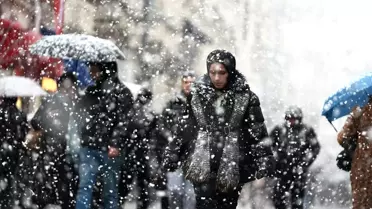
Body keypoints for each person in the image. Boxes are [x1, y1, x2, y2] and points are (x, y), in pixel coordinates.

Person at [163, 49, 274, 209]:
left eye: (222, 72)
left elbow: (257, 130)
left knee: (227, 206)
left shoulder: (246, 97)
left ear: (230, 72)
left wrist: (265, 158)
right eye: (212, 72)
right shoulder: (196, 96)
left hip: (233, 163)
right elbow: (185, 128)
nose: (217, 77)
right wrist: (173, 152)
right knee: (204, 204)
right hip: (202, 162)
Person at [75, 62, 133, 209]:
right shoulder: (93, 91)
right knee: (98, 189)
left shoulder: (119, 92)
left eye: (94, 69)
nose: (91, 73)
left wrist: (115, 142)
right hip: (95, 145)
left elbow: (124, 122)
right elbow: (79, 114)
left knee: (102, 190)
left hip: (105, 147)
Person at [25, 72, 79, 209]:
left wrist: (46, 127)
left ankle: (44, 200)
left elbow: (35, 121)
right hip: (69, 152)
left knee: (45, 185)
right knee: (67, 189)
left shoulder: (50, 100)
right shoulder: (76, 104)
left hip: (49, 149)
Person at [270, 106, 320, 209]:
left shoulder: (307, 130)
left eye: (293, 119)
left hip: (299, 171)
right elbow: (268, 145)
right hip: (281, 170)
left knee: (297, 202)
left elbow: (315, 148)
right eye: (289, 119)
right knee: (278, 199)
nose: (291, 121)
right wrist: (274, 160)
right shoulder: (279, 129)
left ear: (299, 119)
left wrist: (306, 162)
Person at [159, 71, 196, 209]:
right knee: (175, 191)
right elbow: (162, 124)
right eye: (186, 82)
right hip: (175, 154)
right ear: (182, 83)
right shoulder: (172, 102)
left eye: (191, 83)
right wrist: (170, 138)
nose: (188, 85)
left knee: (190, 193)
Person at [119, 88, 155, 209]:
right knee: (131, 182)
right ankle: (124, 202)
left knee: (136, 182)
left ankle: (132, 203)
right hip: (134, 150)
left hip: (138, 150)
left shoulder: (145, 113)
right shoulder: (135, 112)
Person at [337, 98, 372, 209]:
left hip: (363, 167)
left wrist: (355, 140)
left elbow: (342, 138)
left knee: (363, 204)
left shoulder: (359, 110)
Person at [0, 97, 29, 208]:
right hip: (13, 151)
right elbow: (24, 132)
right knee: (11, 177)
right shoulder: (19, 113)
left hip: (3, 149)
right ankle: (8, 202)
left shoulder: (2, 111)